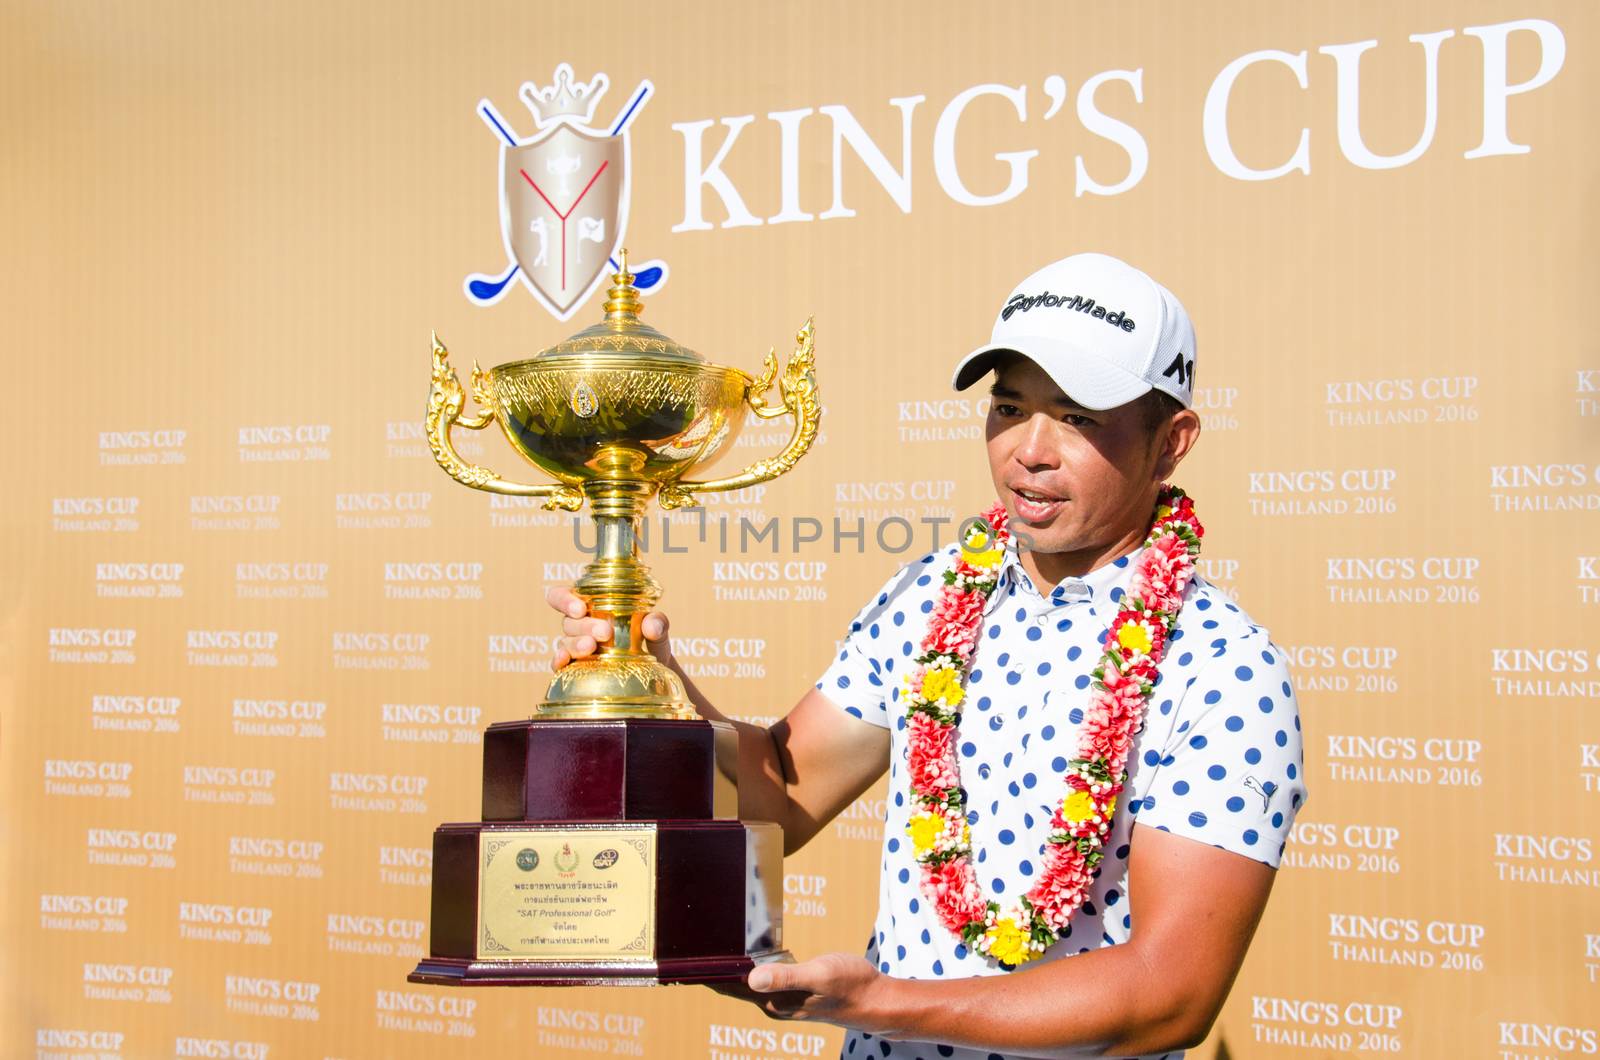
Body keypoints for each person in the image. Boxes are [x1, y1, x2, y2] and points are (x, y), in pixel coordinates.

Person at [548, 252, 1307, 1060]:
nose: (1030, 450)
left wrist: (885, 1004)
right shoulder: (935, 592)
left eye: (1080, 417)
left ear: (1171, 442)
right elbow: (785, 798)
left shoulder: (1224, 667)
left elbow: (1171, 994)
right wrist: (656, 694)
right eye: (1009, 406)